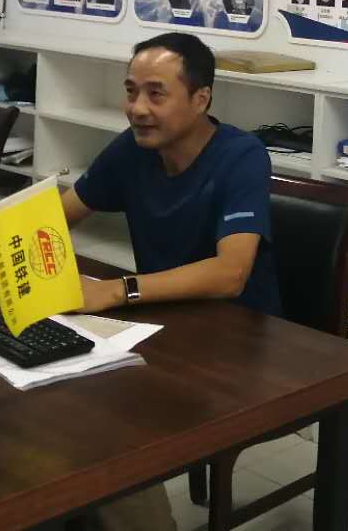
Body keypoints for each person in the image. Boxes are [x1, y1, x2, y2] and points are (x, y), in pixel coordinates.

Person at [59, 34, 282, 531]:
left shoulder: (242, 155)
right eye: (131, 91)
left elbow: (230, 274)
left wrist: (117, 290)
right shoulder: (133, 149)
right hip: (160, 323)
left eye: (156, 94)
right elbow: (58, 217)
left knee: (104, 418)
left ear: (201, 99)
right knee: (60, 394)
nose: (137, 108)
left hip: (236, 342)